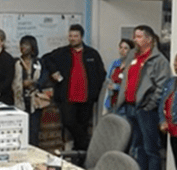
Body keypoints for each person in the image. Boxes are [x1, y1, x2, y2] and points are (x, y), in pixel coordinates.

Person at [114, 25, 171, 170]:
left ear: (149, 39)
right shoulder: (132, 55)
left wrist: (150, 105)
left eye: (138, 37)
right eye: (134, 36)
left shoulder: (159, 60)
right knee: (137, 147)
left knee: (150, 148)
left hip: (146, 110)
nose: (135, 40)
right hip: (130, 106)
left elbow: (163, 86)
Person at [42, 24, 105, 152]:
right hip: (67, 97)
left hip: (86, 98)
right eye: (70, 36)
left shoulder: (92, 54)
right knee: (69, 122)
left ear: (81, 37)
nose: (72, 38)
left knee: (83, 126)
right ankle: (86, 145)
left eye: (75, 36)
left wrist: (95, 93)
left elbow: (101, 74)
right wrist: (54, 72)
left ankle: (80, 156)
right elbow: (46, 59)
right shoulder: (62, 53)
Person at [13, 34, 45, 145]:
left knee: (33, 132)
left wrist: (34, 83)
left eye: (26, 44)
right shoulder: (16, 62)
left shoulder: (39, 62)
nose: (23, 47)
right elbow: (12, 81)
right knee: (20, 131)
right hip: (19, 100)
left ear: (32, 47)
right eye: (21, 44)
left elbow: (44, 78)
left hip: (34, 101)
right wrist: (22, 84)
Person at [101, 37, 133, 114]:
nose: (122, 50)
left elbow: (130, 86)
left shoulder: (132, 66)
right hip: (111, 101)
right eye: (121, 47)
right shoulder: (114, 63)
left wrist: (116, 87)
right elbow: (107, 79)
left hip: (125, 104)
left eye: (125, 48)